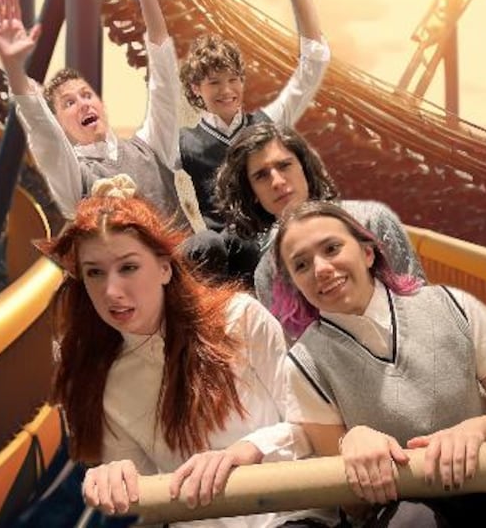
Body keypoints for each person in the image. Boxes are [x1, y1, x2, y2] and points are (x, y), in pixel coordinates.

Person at [44, 180, 335, 528]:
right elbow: (148, 506)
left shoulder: (240, 319)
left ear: (165, 267)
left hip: (290, 516)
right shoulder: (102, 380)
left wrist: (246, 451)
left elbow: (310, 428)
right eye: (94, 273)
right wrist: (117, 477)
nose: (111, 291)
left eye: (128, 267)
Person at [273, 201, 486, 526]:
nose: (320, 268)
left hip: (480, 500)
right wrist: (350, 442)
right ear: (294, 284)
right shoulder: (304, 364)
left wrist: (474, 430)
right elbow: (354, 508)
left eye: (332, 248)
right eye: (302, 265)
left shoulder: (453, 307)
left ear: (367, 253)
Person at [0, 0, 206, 235]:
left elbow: (164, 81)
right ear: (61, 123)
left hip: (187, 273)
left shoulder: (151, 146)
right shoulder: (75, 175)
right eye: (69, 103)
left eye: (86, 95)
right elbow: (43, 132)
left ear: (101, 104)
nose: (83, 103)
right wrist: (13, 67)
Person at [178, 0, 329, 279]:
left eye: (233, 80)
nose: (227, 91)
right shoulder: (184, 143)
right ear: (196, 90)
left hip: (277, 245)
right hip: (227, 262)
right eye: (214, 82)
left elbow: (313, 65)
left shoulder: (267, 124)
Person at [213, 123, 423, 326]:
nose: (277, 182)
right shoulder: (267, 274)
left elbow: (420, 305)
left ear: (304, 168)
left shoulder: (371, 221)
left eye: (284, 165)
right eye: (261, 176)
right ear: (253, 194)